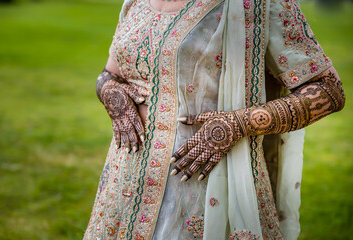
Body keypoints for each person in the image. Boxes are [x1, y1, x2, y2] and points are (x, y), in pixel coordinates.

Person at [83, 0, 345, 239]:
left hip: (203, 188)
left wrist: (239, 123)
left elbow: (329, 89)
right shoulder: (136, 2)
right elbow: (110, 73)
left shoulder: (259, 4)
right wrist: (109, 92)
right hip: (125, 184)